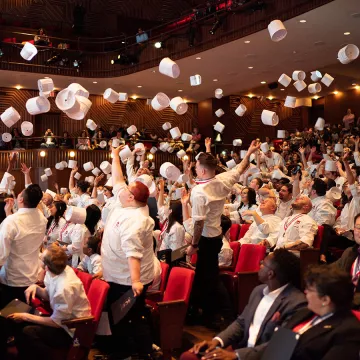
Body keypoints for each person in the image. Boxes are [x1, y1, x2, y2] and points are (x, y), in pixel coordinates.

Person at [181, 249, 306, 360]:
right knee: (189, 356)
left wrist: (237, 355)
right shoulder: (258, 291)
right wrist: (216, 341)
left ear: (270, 274)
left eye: (263, 264)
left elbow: (280, 345)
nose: (259, 265)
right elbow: (241, 323)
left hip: (260, 356)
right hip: (241, 348)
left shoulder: (296, 304)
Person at [186, 140, 259, 323]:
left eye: (195, 167)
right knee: (204, 277)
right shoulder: (222, 180)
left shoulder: (199, 191)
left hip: (206, 239)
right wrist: (249, 152)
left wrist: (194, 245)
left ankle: (229, 316)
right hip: (216, 235)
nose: (195, 169)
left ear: (202, 171)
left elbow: (198, 225)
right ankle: (206, 314)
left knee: (211, 278)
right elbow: (240, 168)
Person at [231, 266, 360, 360]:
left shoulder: (347, 330)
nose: (305, 293)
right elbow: (276, 349)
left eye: (309, 290)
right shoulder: (305, 313)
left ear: (325, 300)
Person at [101, 145, 155, 359]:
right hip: (116, 273)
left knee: (129, 316)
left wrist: (135, 281)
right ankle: (123, 350)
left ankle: (140, 353)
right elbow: (117, 180)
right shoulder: (127, 203)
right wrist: (115, 156)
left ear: (132, 198)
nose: (122, 190)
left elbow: (133, 253)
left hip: (128, 278)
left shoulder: (136, 219)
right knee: (119, 316)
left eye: (127, 190)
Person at [0, 244, 91, 360]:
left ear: (46, 267)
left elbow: (57, 323)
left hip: (71, 329)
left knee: (28, 331)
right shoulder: (57, 270)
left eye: (41, 258)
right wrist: (36, 288)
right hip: (61, 319)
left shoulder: (65, 288)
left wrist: (25, 316)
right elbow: (49, 296)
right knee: (18, 321)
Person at [0, 184, 47, 307]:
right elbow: (21, 228)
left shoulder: (11, 222)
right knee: (25, 313)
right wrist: (9, 212)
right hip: (31, 276)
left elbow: (1, 255)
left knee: (9, 316)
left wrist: (9, 215)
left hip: (12, 279)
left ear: (20, 199)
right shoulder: (42, 218)